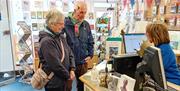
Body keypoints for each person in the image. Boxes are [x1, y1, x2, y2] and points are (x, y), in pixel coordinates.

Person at [38, 9, 75, 91]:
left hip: (64, 80)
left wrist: (72, 69)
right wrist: (68, 76)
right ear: (52, 24)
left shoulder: (60, 36)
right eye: (61, 24)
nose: (63, 26)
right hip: (55, 83)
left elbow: (70, 52)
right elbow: (55, 65)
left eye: (63, 23)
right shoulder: (46, 41)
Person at [64, 1, 94, 91]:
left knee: (82, 86)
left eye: (85, 12)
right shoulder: (65, 24)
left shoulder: (86, 24)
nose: (83, 15)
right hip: (69, 63)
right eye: (81, 12)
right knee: (67, 87)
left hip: (83, 62)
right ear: (75, 10)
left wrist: (90, 54)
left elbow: (90, 41)